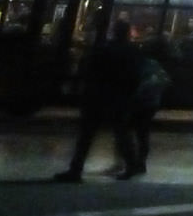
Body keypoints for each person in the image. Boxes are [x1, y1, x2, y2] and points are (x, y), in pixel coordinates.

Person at [54, 18, 145, 182]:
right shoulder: (133, 52)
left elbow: (90, 71)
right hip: (119, 98)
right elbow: (136, 77)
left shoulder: (103, 49)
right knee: (121, 133)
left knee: (86, 135)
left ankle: (75, 170)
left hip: (97, 97)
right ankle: (132, 166)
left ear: (114, 32)